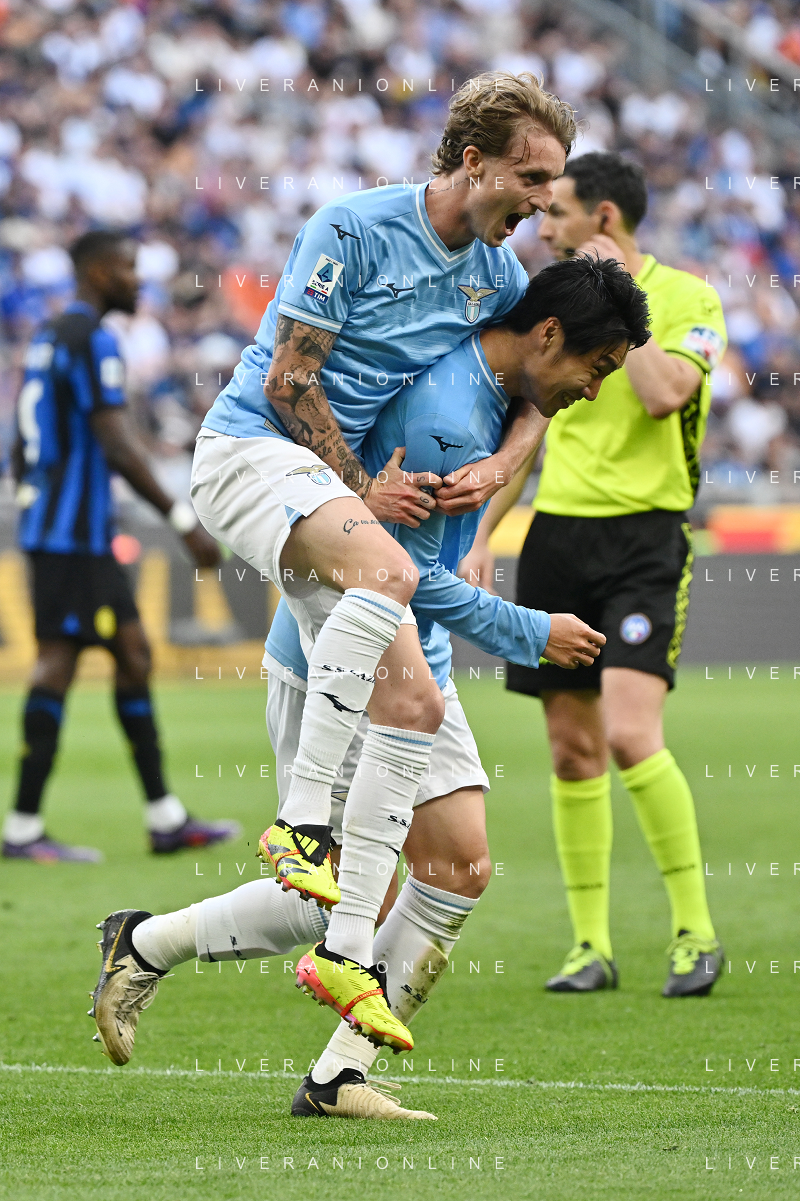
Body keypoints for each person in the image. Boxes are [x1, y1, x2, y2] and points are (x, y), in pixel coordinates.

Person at [88, 255, 650, 1121]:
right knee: (342, 895)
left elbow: (521, 426)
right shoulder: (441, 419)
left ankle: (337, 1074)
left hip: (417, 663)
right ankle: (147, 941)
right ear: (547, 335)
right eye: (597, 366)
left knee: (459, 866)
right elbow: (404, 580)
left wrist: (510, 458)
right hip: (342, 656)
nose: (596, 389)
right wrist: (532, 632)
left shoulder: (497, 390)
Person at [187, 72, 576, 1045]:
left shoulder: (499, 277)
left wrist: (502, 462)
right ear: (472, 160)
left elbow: (539, 382)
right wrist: (362, 486)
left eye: (553, 182)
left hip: (336, 492)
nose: (542, 200)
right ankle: (301, 825)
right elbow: (288, 381)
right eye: (531, 177)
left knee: (418, 715)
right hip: (251, 448)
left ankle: (341, 994)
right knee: (392, 574)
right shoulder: (353, 228)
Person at [460, 152, 727, 997]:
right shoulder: (556, 308)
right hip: (559, 538)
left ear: (604, 218)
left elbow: (664, 394)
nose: (544, 226)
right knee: (572, 747)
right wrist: (482, 532)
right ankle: (589, 946)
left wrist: (622, 302)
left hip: (646, 539)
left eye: (560, 212)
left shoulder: (691, 298)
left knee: (630, 734)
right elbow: (530, 431)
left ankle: (695, 931)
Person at [2, 230, 240, 862]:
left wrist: (35, 499)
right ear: (101, 272)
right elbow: (116, 441)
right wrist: (182, 520)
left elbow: (22, 442)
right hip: (76, 537)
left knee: (124, 653)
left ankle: (161, 817)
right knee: (70, 660)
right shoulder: (94, 338)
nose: (139, 281)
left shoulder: (49, 337)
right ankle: (27, 828)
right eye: (130, 268)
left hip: (60, 530)